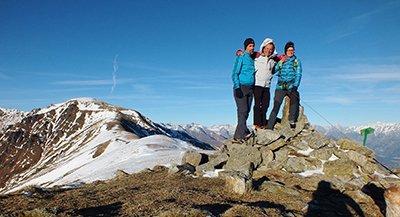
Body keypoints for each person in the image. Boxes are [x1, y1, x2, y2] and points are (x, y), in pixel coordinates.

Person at [266, 41, 302, 130]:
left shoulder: (297, 61)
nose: (291, 52)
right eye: (289, 50)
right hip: (280, 87)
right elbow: (273, 71)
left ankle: (292, 120)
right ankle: (269, 126)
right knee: (276, 106)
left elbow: (298, 74)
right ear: (285, 51)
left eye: (292, 50)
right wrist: (280, 62)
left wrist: (295, 86)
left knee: (295, 97)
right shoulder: (281, 60)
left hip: (291, 86)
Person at [231, 38, 255, 143]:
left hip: (251, 89)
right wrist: (237, 87)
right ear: (246, 47)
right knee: (242, 111)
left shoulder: (253, 58)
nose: (252, 48)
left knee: (246, 112)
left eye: (253, 46)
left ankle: (237, 135)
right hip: (241, 87)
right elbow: (234, 73)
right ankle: (242, 135)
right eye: (250, 46)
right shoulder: (241, 57)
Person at [253, 38, 280, 130]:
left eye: (271, 49)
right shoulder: (257, 57)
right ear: (263, 48)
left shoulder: (273, 61)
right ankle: (257, 124)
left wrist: (282, 58)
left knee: (265, 105)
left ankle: (263, 123)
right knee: (257, 105)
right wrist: (239, 52)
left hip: (267, 86)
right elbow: (246, 54)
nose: (268, 50)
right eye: (267, 48)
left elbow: (276, 65)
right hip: (257, 84)